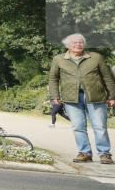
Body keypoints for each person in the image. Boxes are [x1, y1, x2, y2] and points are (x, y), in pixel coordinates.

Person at [49, 33, 115, 164]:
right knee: (78, 126)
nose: (78, 44)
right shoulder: (59, 59)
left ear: (84, 44)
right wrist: (54, 96)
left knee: (100, 126)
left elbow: (107, 77)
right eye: (74, 42)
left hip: (96, 96)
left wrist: (112, 96)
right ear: (68, 45)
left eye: (80, 42)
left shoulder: (96, 57)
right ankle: (84, 153)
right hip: (71, 98)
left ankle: (105, 154)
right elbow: (53, 78)